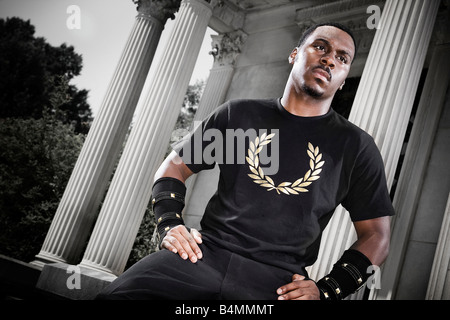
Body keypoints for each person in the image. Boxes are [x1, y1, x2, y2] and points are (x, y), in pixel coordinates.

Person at [96, 22, 394, 300]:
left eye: (343, 59)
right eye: (321, 47)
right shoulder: (238, 115)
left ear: (343, 80)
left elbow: (376, 235)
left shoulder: (356, 146)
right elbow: (173, 166)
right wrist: (170, 225)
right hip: (201, 256)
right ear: (294, 55)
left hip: (280, 283)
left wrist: (328, 290)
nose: (330, 60)